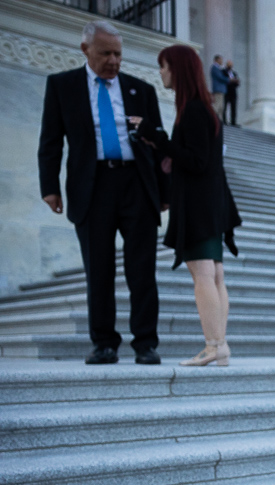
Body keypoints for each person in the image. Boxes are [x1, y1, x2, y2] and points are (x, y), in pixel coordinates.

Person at [38, 20, 166, 365]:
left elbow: (157, 145)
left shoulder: (142, 90)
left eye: (118, 54)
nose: (113, 61)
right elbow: (50, 142)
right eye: (106, 53)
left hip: (137, 185)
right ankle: (104, 343)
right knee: (99, 269)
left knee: (142, 269)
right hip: (92, 186)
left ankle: (145, 343)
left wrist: (163, 192)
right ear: (85, 50)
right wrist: (49, 187)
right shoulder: (62, 86)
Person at [151, 45, 241, 367]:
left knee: (203, 275)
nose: (161, 72)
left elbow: (197, 160)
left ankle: (213, 344)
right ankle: (220, 346)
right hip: (212, 204)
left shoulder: (192, 110)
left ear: (178, 69)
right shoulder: (204, 109)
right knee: (215, 275)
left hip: (200, 206)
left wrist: (159, 140)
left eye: (164, 67)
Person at [208, 55, 228, 119]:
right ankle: (212, 118)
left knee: (221, 107)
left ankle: (219, 121)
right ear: (217, 60)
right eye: (221, 60)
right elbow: (220, 77)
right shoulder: (214, 68)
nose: (222, 61)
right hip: (218, 89)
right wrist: (229, 80)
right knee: (217, 106)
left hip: (221, 90)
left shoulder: (218, 68)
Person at [222, 59, 240, 126]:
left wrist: (235, 81)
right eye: (229, 64)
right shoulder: (223, 72)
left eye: (231, 65)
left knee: (233, 108)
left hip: (233, 92)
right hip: (226, 92)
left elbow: (237, 82)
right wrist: (231, 81)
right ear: (227, 65)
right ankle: (224, 120)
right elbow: (224, 80)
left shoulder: (234, 73)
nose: (230, 66)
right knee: (225, 107)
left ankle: (233, 121)